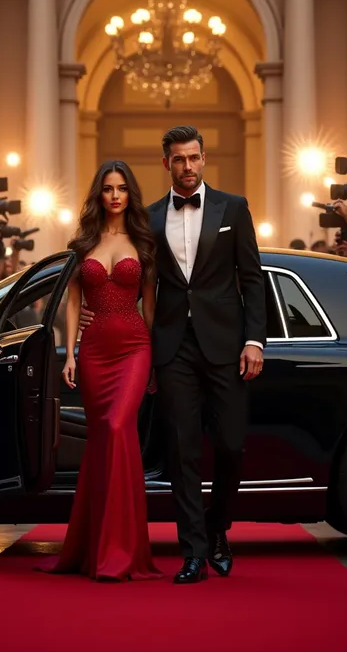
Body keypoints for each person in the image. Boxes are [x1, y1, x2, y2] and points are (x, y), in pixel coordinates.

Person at [81, 125, 266, 584]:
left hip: (226, 347)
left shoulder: (234, 208)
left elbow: (252, 279)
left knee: (230, 445)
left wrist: (254, 340)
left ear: (204, 158)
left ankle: (217, 526)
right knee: (182, 453)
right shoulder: (151, 218)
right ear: (166, 163)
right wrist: (92, 313)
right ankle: (193, 553)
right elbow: (126, 275)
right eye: (179, 160)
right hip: (172, 348)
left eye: (195, 158)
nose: (188, 167)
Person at [37, 160, 163, 582]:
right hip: (93, 353)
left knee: (114, 427)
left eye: (122, 188)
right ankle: (97, 547)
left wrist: (155, 360)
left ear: (130, 194)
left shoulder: (144, 244)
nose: (114, 195)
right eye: (108, 188)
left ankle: (121, 549)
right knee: (104, 439)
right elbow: (73, 301)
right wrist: (70, 353)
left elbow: (150, 307)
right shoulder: (83, 243)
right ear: (99, 194)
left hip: (133, 348)